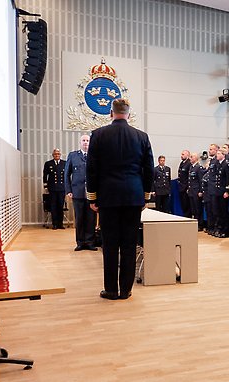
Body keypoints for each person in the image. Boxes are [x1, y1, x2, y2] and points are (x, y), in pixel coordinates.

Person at [87, 98, 153, 300]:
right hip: (133, 196)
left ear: (110, 113)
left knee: (110, 244)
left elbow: (91, 169)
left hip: (107, 196)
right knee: (129, 244)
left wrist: (93, 197)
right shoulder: (141, 136)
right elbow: (149, 169)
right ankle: (126, 289)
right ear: (129, 114)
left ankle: (111, 289)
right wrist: (145, 195)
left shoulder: (98, 135)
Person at [64, 135, 96, 250]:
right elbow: (67, 174)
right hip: (77, 192)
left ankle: (90, 242)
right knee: (79, 218)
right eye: (84, 140)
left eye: (88, 141)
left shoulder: (95, 155)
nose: (86, 142)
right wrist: (68, 190)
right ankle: (80, 242)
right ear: (80, 142)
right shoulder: (73, 156)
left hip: (91, 194)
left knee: (91, 219)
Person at [43, 148, 67, 230]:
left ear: (60, 155)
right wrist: (45, 186)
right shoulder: (48, 163)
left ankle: (60, 224)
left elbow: (66, 176)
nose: (57, 155)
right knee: (53, 206)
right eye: (55, 154)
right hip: (52, 188)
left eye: (58, 154)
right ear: (53, 155)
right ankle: (55, 224)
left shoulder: (65, 163)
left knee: (60, 206)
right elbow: (45, 175)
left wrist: (68, 186)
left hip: (62, 188)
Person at [177, 150, 191, 217]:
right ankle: (185, 215)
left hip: (185, 187)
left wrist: (188, 187)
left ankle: (188, 216)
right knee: (183, 203)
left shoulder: (189, 163)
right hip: (181, 187)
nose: (181, 156)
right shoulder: (182, 163)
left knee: (186, 204)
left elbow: (189, 176)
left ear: (187, 155)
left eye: (183, 154)